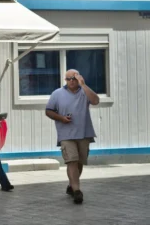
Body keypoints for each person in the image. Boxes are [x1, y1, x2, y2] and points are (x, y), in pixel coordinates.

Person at [46, 69, 99, 205]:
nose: (71, 81)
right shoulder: (57, 94)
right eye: (68, 79)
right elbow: (49, 111)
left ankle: (71, 185)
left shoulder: (84, 92)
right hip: (66, 134)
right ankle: (77, 191)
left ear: (79, 78)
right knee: (72, 161)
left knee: (80, 162)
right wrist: (61, 118)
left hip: (84, 133)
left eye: (73, 78)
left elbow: (95, 101)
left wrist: (84, 85)